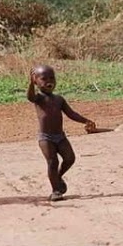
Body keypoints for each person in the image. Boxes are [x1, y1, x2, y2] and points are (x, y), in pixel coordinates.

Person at [27, 65, 96, 201]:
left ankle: (57, 177)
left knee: (70, 158)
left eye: (52, 78)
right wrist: (30, 84)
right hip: (45, 138)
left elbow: (71, 114)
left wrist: (85, 121)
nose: (49, 81)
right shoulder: (39, 98)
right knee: (52, 162)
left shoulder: (59, 99)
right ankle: (56, 190)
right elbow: (30, 96)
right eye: (43, 78)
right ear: (36, 81)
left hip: (60, 136)